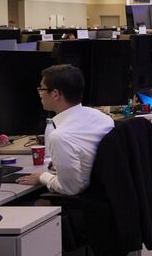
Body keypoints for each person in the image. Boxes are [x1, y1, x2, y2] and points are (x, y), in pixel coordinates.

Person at [16, 65, 113, 195]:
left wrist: (42, 177)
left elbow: (71, 188)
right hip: (109, 194)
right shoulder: (102, 118)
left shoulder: (60, 136)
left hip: (86, 202)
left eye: (42, 89)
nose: (40, 94)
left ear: (55, 94)